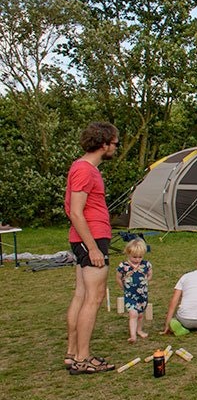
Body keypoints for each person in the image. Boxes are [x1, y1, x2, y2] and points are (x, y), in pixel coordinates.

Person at [64, 121, 120, 375]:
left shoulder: (84, 168)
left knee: (81, 295)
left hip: (88, 238)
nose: (116, 148)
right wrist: (93, 248)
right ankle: (83, 358)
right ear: (103, 143)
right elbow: (76, 212)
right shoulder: (84, 170)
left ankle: (73, 354)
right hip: (91, 238)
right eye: (115, 144)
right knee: (94, 298)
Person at [116, 237, 153, 344]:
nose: (137, 259)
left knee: (140, 314)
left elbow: (150, 273)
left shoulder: (146, 265)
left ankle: (139, 330)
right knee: (133, 314)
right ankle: (133, 336)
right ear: (128, 253)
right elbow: (118, 277)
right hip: (130, 295)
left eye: (140, 257)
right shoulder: (124, 266)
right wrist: (123, 287)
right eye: (134, 257)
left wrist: (146, 281)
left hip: (142, 294)